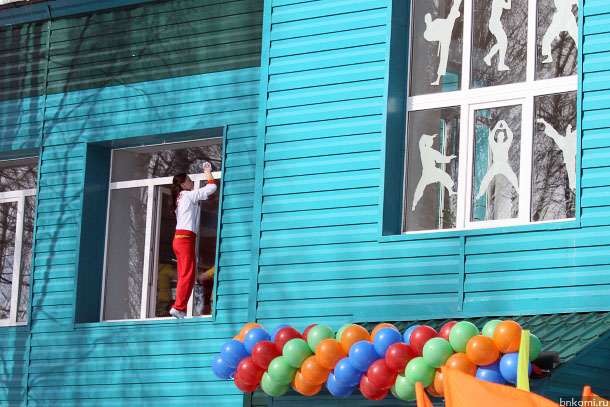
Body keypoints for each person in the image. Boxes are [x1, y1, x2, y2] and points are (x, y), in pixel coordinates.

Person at [168, 162, 217, 319]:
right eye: (189, 180)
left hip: (180, 239)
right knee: (187, 275)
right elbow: (211, 188)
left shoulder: (181, 197)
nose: (191, 182)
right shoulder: (188, 195)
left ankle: (180, 308)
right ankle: (178, 307)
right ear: (183, 185)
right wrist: (207, 172)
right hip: (185, 240)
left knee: (185, 274)